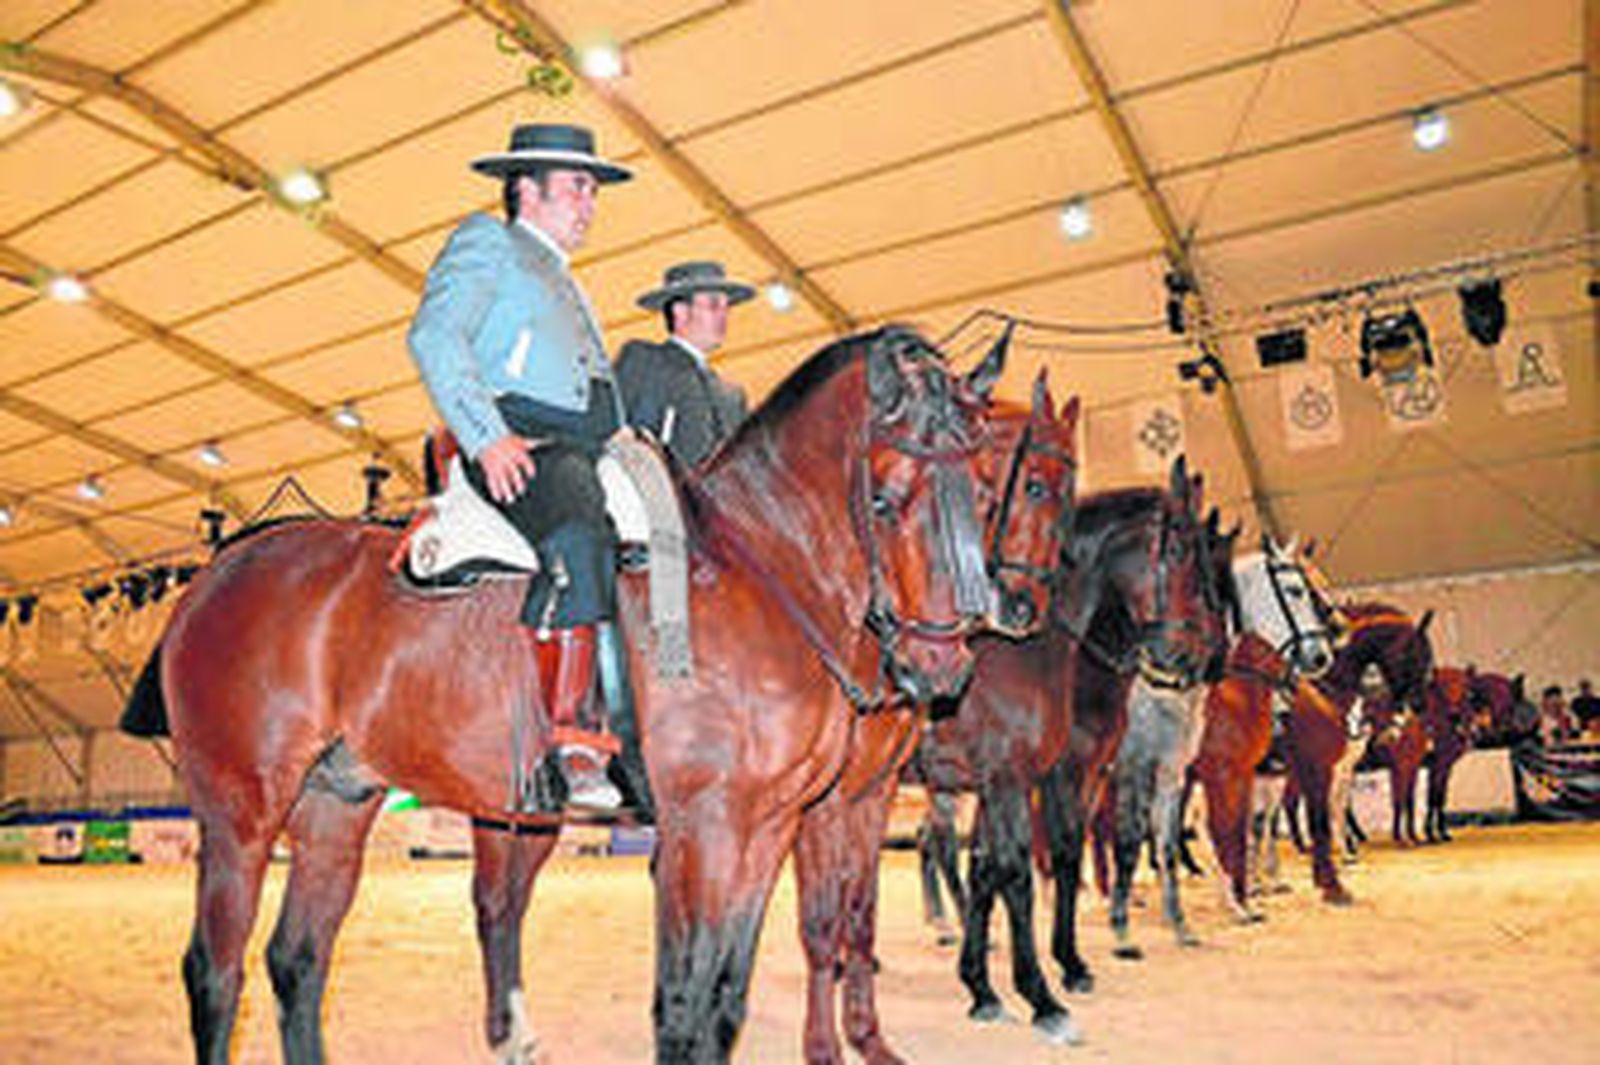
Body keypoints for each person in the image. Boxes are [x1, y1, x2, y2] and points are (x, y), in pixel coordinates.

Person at [408, 122, 643, 814]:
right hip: (524, 443)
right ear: (526, 191)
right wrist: (487, 437)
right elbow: (435, 334)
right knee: (577, 531)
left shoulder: (565, 278)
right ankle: (569, 738)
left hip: (591, 448)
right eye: (578, 187)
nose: (590, 203)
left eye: (592, 191)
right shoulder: (490, 242)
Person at [614, 261, 754, 469]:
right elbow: (610, 427)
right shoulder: (645, 360)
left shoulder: (733, 397)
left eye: (727, 308)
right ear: (680, 311)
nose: (723, 316)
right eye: (713, 305)